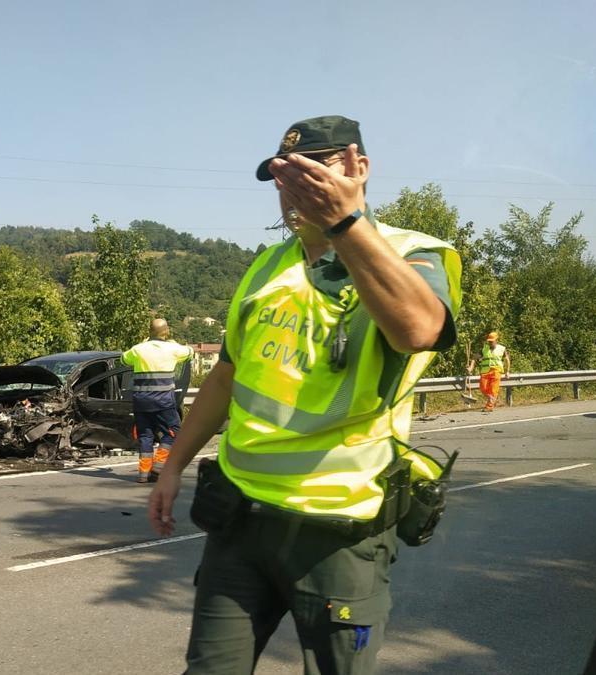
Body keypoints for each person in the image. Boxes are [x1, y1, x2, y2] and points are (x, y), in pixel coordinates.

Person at [147, 115, 462, 674]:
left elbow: (417, 329)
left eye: (315, 168)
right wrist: (173, 465)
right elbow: (226, 376)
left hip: (338, 533)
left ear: (360, 168)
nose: (295, 188)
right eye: (283, 177)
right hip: (240, 523)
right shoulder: (267, 266)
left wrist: (346, 223)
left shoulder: (411, 254)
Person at [121, 319, 194, 483]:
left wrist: (142, 344)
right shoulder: (173, 348)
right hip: (164, 402)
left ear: (149, 331)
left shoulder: (138, 350)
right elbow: (190, 352)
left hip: (141, 402)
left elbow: (123, 360)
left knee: (145, 436)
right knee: (173, 433)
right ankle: (159, 466)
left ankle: (143, 474)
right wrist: (175, 342)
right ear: (166, 331)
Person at [468, 331, 509, 412]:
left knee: (493, 390)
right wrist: (470, 368)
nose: (490, 342)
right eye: (489, 341)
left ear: (496, 340)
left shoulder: (502, 349)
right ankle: (492, 399)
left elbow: (507, 360)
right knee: (483, 388)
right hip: (485, 371)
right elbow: (474, 357)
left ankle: (489, 407)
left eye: (491, 341)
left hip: (496, 371)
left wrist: (507, 371)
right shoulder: (484, 349)